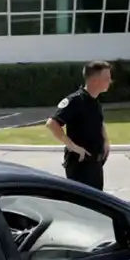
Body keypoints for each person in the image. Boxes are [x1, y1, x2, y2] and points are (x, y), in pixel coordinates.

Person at [45, 60, 112, 190]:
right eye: (106, 78)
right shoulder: (75, 101)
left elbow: (98, 122)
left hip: (95, 162)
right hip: (80, 164)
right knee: (82, 201)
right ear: (94, 80)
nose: (110, 81)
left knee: (96, 199)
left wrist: (105, 141)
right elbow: (52, 123)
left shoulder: (94, 101)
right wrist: (72, 146)